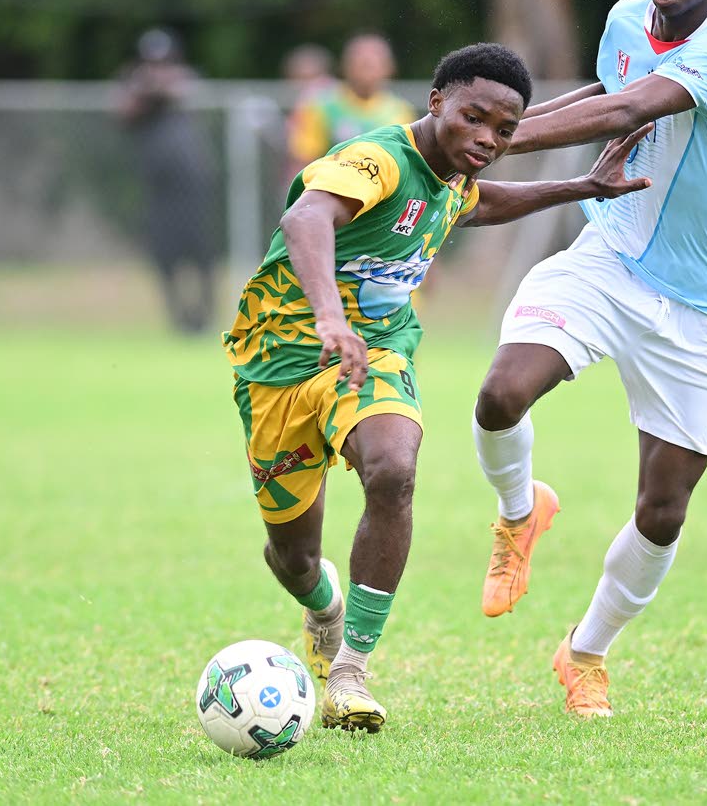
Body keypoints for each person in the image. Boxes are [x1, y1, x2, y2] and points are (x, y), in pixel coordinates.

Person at [222, 43, 651, 733]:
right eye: (473, 118)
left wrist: (578, 189)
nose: (486, 139)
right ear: (435, 102)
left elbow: (475, 206)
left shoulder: (454, 173)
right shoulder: (381, 158)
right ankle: (325, 606)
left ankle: (350, 672)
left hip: (376, 353)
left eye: (504, 131)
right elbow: (305, 217)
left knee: (393, 469)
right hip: (277, 363)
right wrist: (329, 316)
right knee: (294, 558)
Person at [471, 0, 707, 718]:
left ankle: (586, 653)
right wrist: (499, 124)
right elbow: (601, 97)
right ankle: (520, 513)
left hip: (703, 307)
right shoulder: (623, 18)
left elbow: (637, 103)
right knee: (499, 395)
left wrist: (488, 134)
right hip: (609, 257)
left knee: (663, 510)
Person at [116, 28, 219, 334]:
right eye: (151, 62)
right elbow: (122, 112)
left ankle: (206, 314)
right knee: (163, 252)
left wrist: (159, 87)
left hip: (192, 184)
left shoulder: (186, 80)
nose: (158, 68)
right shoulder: (136, 86)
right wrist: (144, 89)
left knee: (201, 249)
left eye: (164, 61)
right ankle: (177, 316)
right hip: (157, 187)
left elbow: (185, 93)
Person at [286, 34, 415, 171]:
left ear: (389, 68)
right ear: (345, 66)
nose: (367, 72)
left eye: (373, 65)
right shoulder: (322, 106)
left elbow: (405, 165)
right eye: (363, 64)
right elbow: (303, 158)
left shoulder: (400, 111)